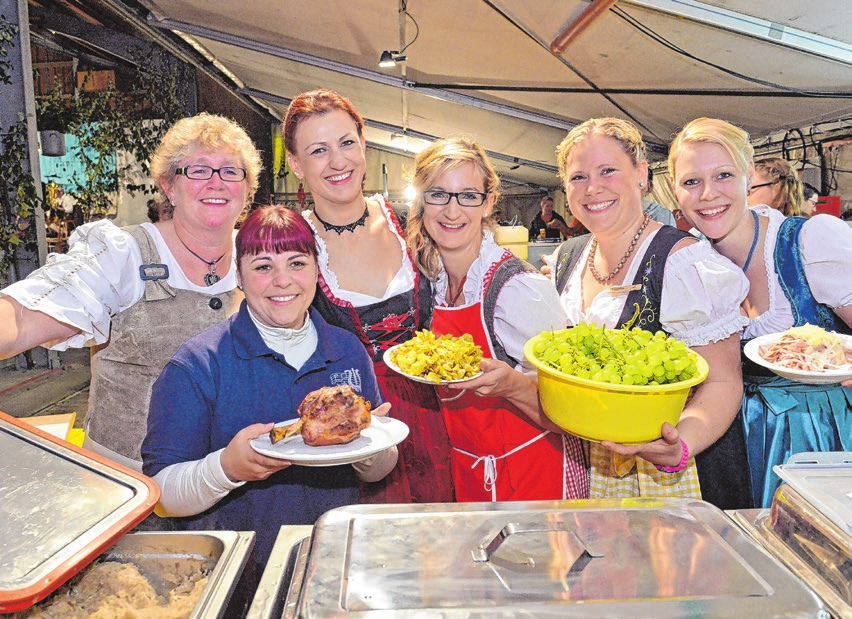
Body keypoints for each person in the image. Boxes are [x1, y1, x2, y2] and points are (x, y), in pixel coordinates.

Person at [480, 118, 749, 507]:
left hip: (671, 474)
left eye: (608, 170)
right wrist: (509, 383)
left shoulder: (683, 261)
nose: (593, 188)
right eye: (578, 177)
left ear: (641, 173)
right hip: (584, 467)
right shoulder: (565, 261)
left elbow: (723, 384)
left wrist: (679, 445)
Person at [142, 204, 397, 576]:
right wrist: (226, 468)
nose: (283, 280)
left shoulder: (347, 349)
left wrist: (372, 455)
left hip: (334, 561)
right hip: (238, 574)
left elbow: (377, 470)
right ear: (239, 277)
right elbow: (161, 495)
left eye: (297, 263)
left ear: (316, 270)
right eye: (263, 267)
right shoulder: (198, 365)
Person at [0, 113, 260, 472]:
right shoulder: (122, 252)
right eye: (199, 170)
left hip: (234, 477)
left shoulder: (261, 257)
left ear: (247, 189)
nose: (216, 182)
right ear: (169, 185)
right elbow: (29, 313)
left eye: (231, 171)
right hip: (131, 479)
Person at [668, 117, 852, 508]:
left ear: (748, 176)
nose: (708, 195)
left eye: (723, 175)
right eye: (691, 182)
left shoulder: (810, 242)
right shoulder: (686, 265)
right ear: (675, 191)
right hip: (721, 445)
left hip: (814, 438)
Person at [283, 88, 454, 504]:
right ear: (295, 165)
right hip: (345, 430)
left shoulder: (412, 223)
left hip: (436, 418)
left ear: (364, 142)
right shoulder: (291, 246)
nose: (338, 161)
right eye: (318, 150)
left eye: (346, 143)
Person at [407, 136, 588, 502]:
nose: (452, 211)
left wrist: (512, 386)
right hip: (469, 472)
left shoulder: (517, 288)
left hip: (532, 479)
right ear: (421, 202)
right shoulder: (431, 280)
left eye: (468, 195)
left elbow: (574, 414)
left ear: (488, 202)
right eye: (438, 194)